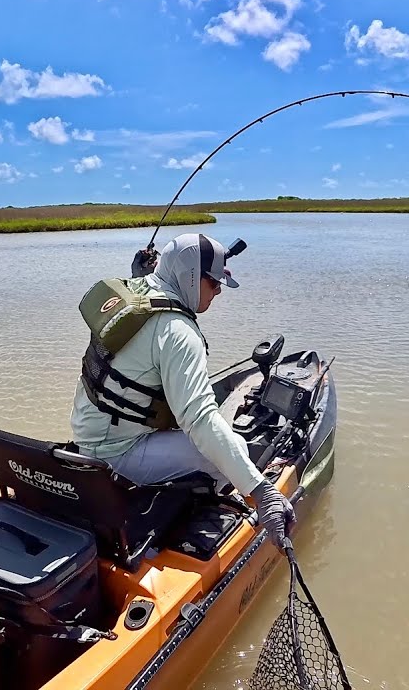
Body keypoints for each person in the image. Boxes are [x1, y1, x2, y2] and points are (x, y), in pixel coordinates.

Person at [71, 232, 295, 548]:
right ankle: (197, 512)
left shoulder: (135, 293)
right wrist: (261, 490)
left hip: (88, 437)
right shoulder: (178, 332)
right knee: (234, 448)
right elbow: (199, 419)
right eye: (213, 282)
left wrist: (143, 273)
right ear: (189, 277)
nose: (218, 290)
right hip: (118, 455)